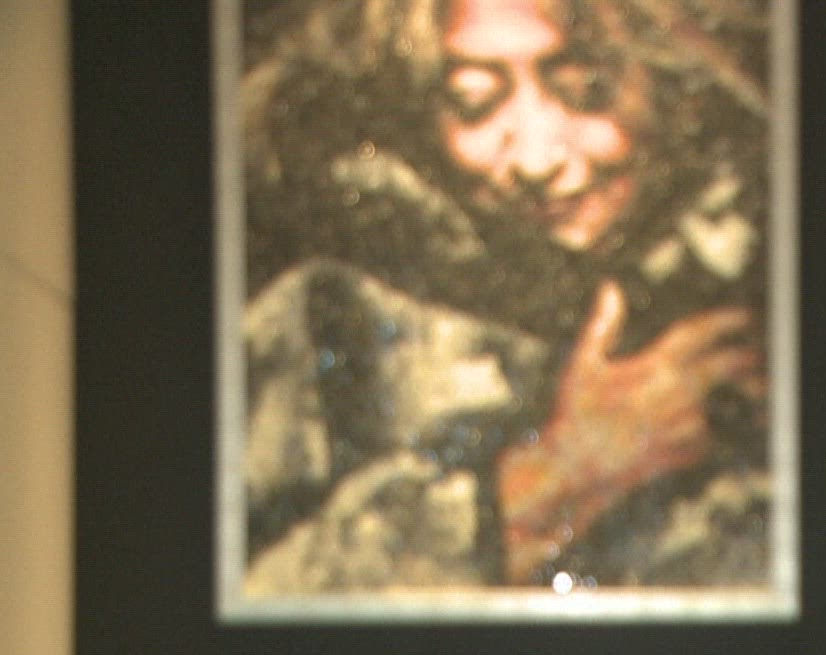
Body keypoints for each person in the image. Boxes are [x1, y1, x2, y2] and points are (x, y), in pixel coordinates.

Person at [237, 0, 773, 594]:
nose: (535, 161)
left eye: (587, 92)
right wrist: (559, 478)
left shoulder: (770, 270)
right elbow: (245, 603)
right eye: (473, 101)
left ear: (679, 88)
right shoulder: (330, 314)